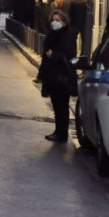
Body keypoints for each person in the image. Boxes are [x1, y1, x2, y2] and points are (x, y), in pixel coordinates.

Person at [40, 10, 77, 143]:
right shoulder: (53, 35)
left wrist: (53, 55)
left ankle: (62, 134)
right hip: (52, 75)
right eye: (53, 20)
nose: (55, 23)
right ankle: (58, 131)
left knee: (62, 106)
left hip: (62, 76)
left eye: (58, 20)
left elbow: (69, 55)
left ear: (64, 22)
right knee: (56, 105)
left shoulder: (68, 35)